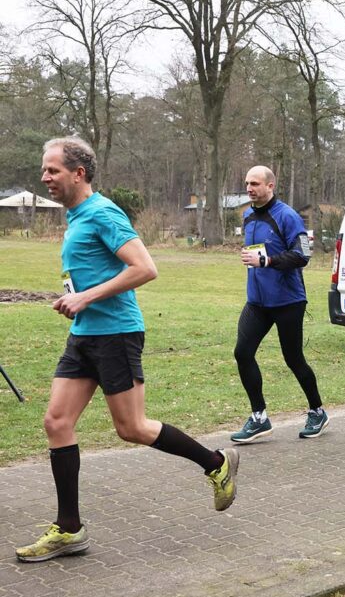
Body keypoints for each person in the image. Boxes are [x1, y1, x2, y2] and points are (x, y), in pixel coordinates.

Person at [16, 137, 238, 563]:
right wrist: (79, 301)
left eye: (52, 170)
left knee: (131, 427)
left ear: (78, 173)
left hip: (116, 333)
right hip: (84, 334)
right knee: (57, 421)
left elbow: (145, 268)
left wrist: (85, 297)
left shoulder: (103, 212)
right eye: (44, 171)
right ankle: (69, 529)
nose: (45, 178)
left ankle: (215, 463)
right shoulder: (77, 216)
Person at [230, 166, 328, 442]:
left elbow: (303, 255)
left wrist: (269, 261)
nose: (249, 188)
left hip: (288, 301)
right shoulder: (248, 215)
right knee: (242, 352)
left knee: (293, 359)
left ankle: (317, 411)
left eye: (255, 184)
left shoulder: (287, 216)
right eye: (247, 183)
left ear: (270, 185)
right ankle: (259, 417)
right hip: (257, 302)